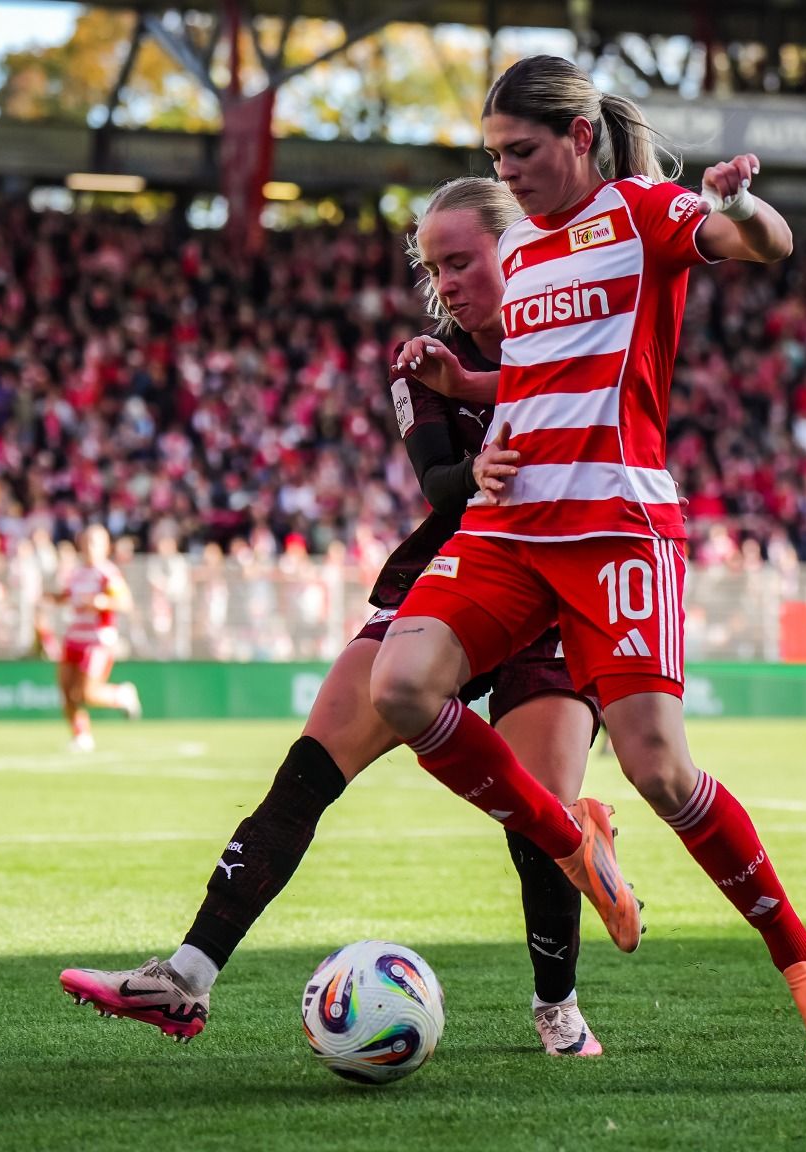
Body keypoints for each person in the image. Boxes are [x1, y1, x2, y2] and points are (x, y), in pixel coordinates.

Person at [370, 55, 806, 1074]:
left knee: (660, 771)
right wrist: (461, 376)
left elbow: (759, 244)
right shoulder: (527, 245)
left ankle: (804, 958)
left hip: (614, 530)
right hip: (513, 527)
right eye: (495, 156)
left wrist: (745, 205)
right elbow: (538, 370)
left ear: (579, 137)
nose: (509, 172)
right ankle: (567, 837)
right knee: (405, 686)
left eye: (523, 151)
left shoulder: (643, 212)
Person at [59, 178, 619, 1057]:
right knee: (308, 771)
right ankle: (186, 977)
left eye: (463, 261)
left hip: (555, 591)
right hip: (454, 576)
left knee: (542, 821)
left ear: (520, 249)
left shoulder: (582, 333)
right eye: (435, 267)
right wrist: (480, 469)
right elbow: (437, 480)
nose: (448, 283)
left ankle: (557, 1004)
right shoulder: (424, 361)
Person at [52, 524, 142, 753]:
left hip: (97, 640)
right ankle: (81, 736)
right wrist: (49, 597)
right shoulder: (77, 572)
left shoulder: (107, 573)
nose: (89, 547)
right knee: (66, 691)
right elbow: (67, 597)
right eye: (86, 542)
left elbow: (125, 602)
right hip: (74, 636)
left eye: (95, 542)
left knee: (87, 693)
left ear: (105, 546)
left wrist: (102, 602)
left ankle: (121, 695)